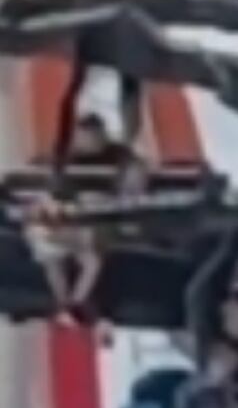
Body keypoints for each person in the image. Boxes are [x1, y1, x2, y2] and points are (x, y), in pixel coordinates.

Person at [25, 113, 149, 324]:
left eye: (95, 136)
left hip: (98, 217)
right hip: (67, 218)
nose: (90, 142)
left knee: (92, 258)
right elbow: (42, 172)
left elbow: (137, 169)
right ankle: (64, 303)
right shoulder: (66, 155)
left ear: (102, 135)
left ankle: (75, 302)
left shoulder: (118, 153)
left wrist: (132, 184)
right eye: (85, 137)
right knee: (52, 256)